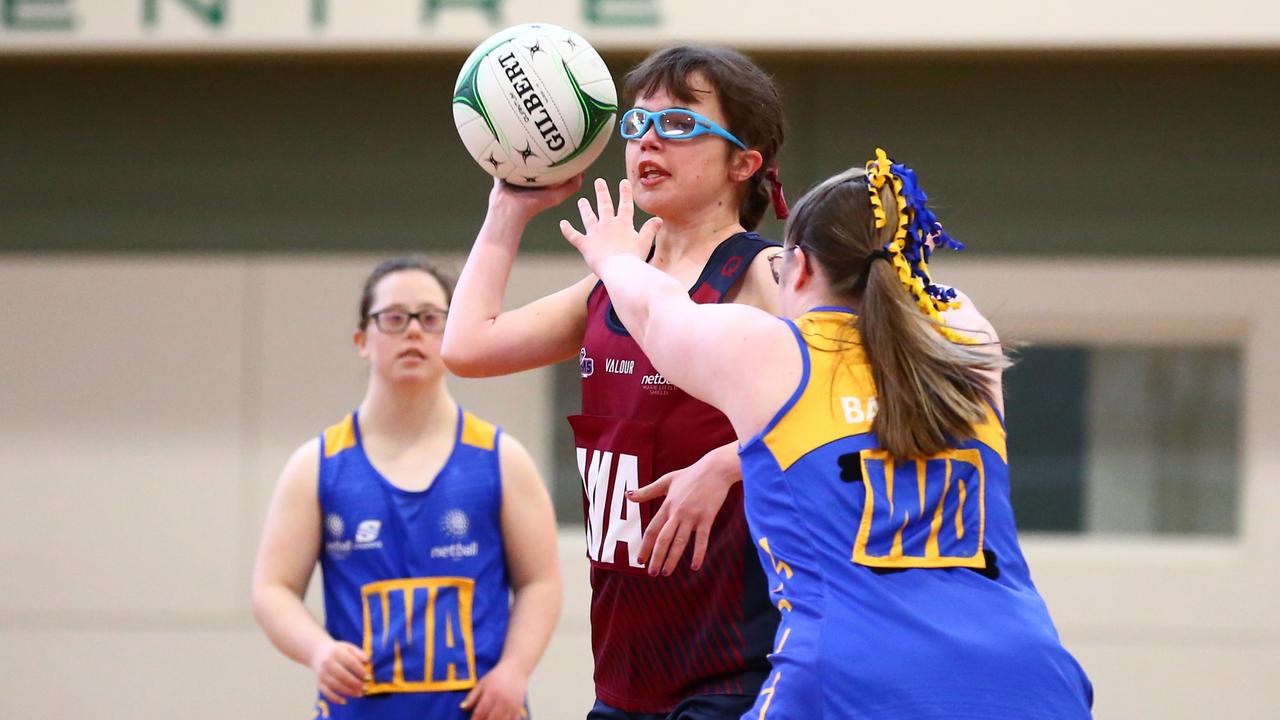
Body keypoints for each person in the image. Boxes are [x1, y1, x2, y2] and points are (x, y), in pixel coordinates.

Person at [558, 150, 1095, 718]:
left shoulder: (774, 354)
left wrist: (614, 257)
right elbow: (922, 314)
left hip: (853, 676)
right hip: (1031, 673)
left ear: (803, 268)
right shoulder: (967, 346)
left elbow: (654, 313)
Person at [443, 46, 788, 719]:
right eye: (636, 125)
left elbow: (849, 402)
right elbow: (466, 346)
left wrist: (726, 464)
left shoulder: (764, 274)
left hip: (734, 669)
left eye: (681, 124)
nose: (648, 139)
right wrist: (507, 211)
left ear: (743, 162)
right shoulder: (610, 284)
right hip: (626, 675)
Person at [252, 257, 562, 720]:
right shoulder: (317, 465)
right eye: (394, 318)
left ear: (453, 331)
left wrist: (514, 672)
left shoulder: (501, 458)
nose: (413, 331)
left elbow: (541, 582)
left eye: (432, 318)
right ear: (362, 340)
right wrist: (318, 651)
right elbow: (272, 589)